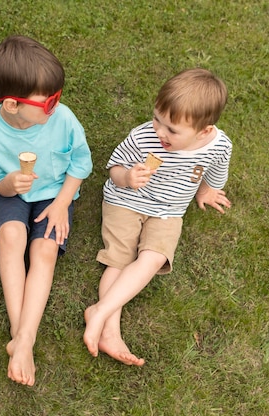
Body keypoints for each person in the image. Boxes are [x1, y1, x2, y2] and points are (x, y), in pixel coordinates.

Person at [83, 68, 232, 366]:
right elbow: (114, 167)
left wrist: (207, 191)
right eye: (157, 119)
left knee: (153, 258)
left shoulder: (218, 146)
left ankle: (99, 310)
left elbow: (216, 169)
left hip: (168, 212)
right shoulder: (143, 137)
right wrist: (127, 177)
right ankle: (110, 330)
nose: (160, 132)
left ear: (204, 131)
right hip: (125, 201)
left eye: (172, 130)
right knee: (119, 258)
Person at [0, 35, 93, 386]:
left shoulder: (64, 119)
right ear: (12, 104)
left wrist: (61, 203)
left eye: (57, 96)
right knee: (11, 238)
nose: (56, 105)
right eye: (48, 100)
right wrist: (9, 184)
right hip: (14, 192)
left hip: (55, 193)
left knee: (44, 250)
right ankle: (22, 335)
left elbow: (80, 164)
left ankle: (23, 338)